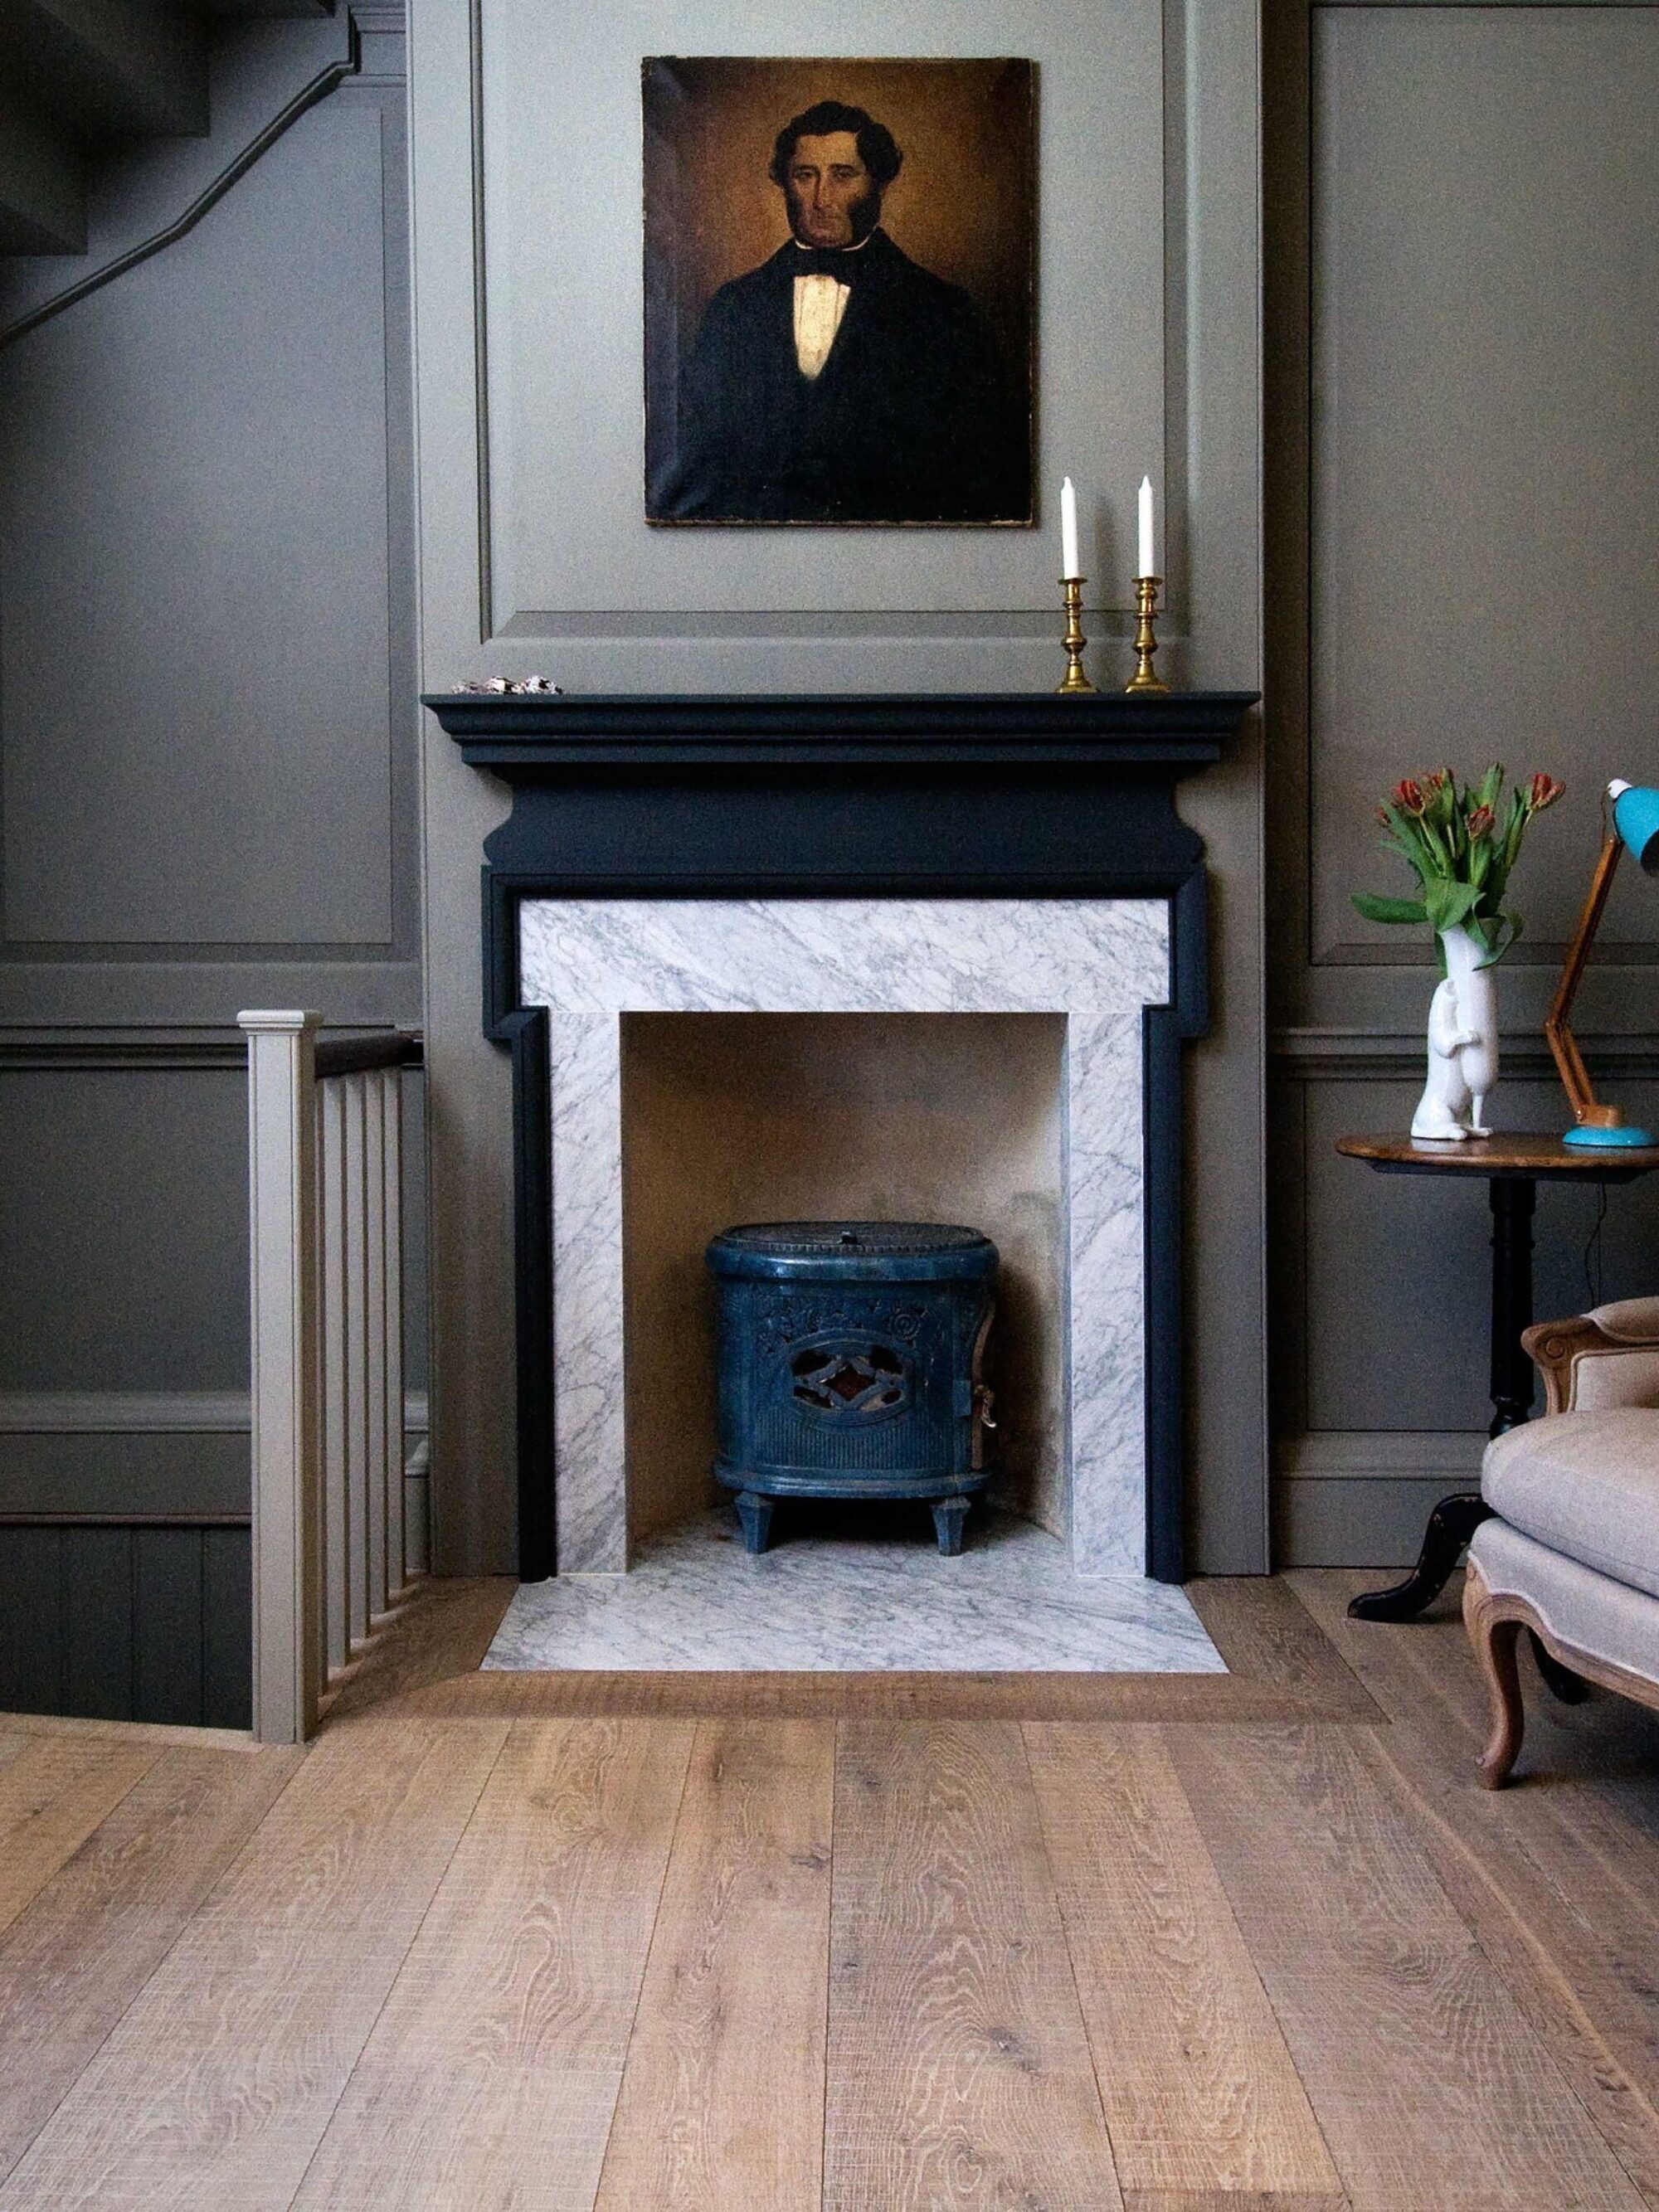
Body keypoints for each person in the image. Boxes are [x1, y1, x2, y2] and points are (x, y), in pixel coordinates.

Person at [651, 99, 1029, 525]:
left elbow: (981, 476)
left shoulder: (946, 315)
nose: (820, 198)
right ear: (785, 184)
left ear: (880, 184)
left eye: (843, 176)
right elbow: (696, 464)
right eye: (805, 176)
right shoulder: (734, 308)